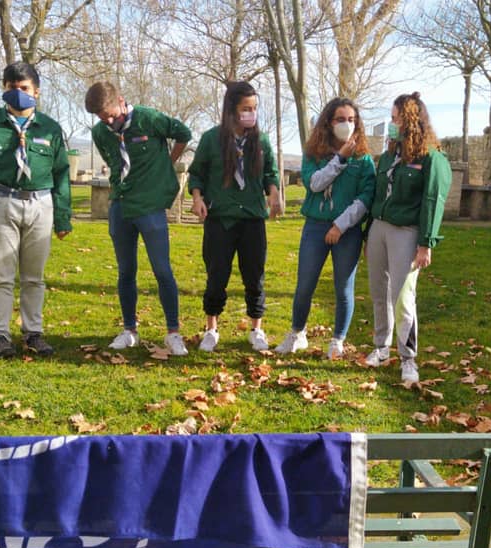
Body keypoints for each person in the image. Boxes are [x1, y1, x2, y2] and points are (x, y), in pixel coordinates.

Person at [0, 61, 72, 359]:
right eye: (11, 88)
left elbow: (62, 173)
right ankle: (0, 334)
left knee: (34, 276)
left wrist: (62, 216)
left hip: (40, 204)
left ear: (36, 91)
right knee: (2, 274)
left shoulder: (50, 127)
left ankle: (33, 332)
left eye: (23, 88)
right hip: (1, 202)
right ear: (4, 89)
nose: (18, 93)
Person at [84, 81, 193, 356]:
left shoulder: (148, 118)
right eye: (101, 117)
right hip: (121, 205)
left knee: (162, 270)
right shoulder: (100, 132)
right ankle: (129, 330)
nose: (108, 120)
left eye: (110, 114)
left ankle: (173, 332)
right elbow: (113, 160)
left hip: (150, 206)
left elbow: (184, 133)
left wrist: (168, 161)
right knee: (126, 271)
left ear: (121, 101)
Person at [275, 98, 375, 360]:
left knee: (343, 287)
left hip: (347, 231)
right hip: (315, 227)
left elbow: (365, 198)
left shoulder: (364, 159)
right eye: (341, 119)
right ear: (329, 123)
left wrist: (340, 225)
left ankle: (338, 339)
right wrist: (339, 159)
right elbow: (315, 184)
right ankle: (297, 333)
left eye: (352, 120)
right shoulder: (313, 154)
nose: (347, 124)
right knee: (305, 285)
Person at [187, 81, 283, 352]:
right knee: (217, 274)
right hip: (221, 218)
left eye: (254, 108)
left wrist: (274, 192)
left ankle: (256, 329)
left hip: (252, 218)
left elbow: (270, 173)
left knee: (254, 275)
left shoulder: (261, 141)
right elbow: (197, 174)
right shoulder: (210, 139)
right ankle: (211, 329)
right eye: (245, 108)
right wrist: (197, 198)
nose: (250, 114)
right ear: (231, 109)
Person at [364, 92, 451, 384]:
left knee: (402, 296)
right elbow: (377, 193)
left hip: (406, 232)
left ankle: (408, 358)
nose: (391, 123)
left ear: (410, 121)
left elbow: (432, 200)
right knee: (379, 293)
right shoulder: (389, 156)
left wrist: (426, 243)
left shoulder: (430, 158)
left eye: (395, 118)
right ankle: (381, 348)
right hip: (379, 228)